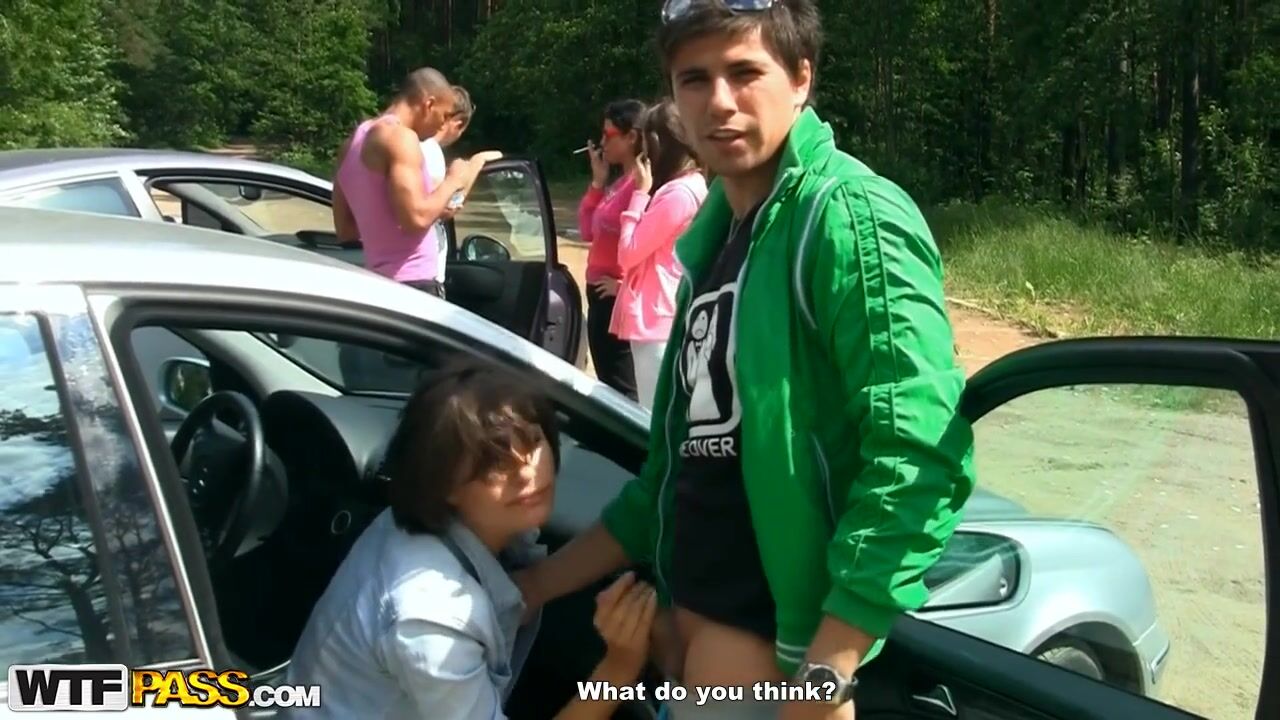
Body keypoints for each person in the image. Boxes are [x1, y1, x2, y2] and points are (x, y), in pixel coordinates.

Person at [516, 2, 978, 719]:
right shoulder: (717, 240)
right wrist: (528, 590)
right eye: (694, 79)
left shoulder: (848, 217)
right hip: (687, 661)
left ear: (801, 78)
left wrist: (825, 677)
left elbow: (917, 460)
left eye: (745, 72)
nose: (720, 101)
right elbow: (671, 479)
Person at [284, 360, 657, 719]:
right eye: (495, 462)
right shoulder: (433, 616)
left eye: (533, 439)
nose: (527, 470)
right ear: (443, 483)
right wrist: (618, 671)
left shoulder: (423, 528)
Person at [332, 69, 499, 298]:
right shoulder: (400, 137)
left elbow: (345, 230)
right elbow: (417, 219)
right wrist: (453, 180)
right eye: (444, 115)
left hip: (377, 283)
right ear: (429, 104)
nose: (442, 125)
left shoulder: (350, 144)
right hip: (414, 283)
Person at [609, 100, 708, 410]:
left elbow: (628, 253)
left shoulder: (678, 194)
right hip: (663, 315)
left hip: (657, 321)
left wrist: (639, 194)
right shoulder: (690, 186)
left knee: (651, 413)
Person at [578, 99, 645, 401]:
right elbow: (587, 231)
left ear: (631, 137)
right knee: (608, 386)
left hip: (615, 298)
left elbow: (654, 247)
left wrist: (624, 286)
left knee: (622, 390)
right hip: (599, 295)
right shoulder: (620, 184)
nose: (602, 142)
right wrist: (597, 182)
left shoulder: (641, 186)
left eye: (608, 135)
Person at [421, 85, 476, 287]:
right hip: (428, 272)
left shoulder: (417, 146)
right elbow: (443, 209)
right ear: (458, 123)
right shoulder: (432, 151)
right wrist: (475, 165)